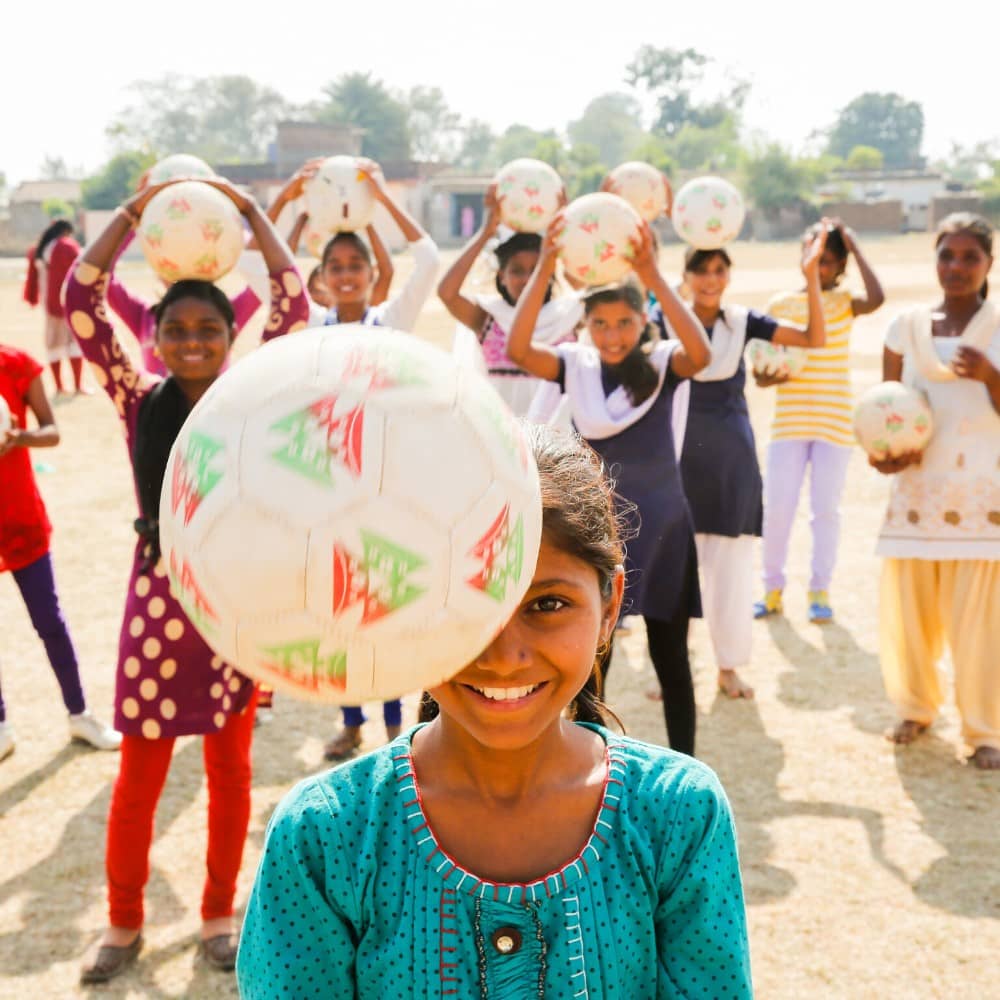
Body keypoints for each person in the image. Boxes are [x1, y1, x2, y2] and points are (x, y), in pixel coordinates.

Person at [236, 424, 752, 998]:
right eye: (459, 603)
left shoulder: (677, 814)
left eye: (548, 604)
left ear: (609, 610)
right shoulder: (326, 835)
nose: (504, 657)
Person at [66, 177, 309, 983]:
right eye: (178, 329)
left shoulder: (252, 397)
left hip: (230, 604)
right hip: (158, 605)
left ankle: (216, 913)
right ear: (158, 337)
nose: (195, 340)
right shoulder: (136, 398)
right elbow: (81, 295)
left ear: (231, 336)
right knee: (140, 775)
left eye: (210, 328)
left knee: (230, 772)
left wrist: (252, 215)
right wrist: (135, 216)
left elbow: (291, 300)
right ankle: (124, 920)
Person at [507, 215, 711, 756]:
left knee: (671, 659)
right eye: (601, 324)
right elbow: (520, 346)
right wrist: (548, 264)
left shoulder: (664, 363)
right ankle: (590, 761)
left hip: (664, 528)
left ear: (643, 321)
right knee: (595, 658)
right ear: (586, 326)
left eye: (624, 323)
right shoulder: (576, 366)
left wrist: (653, 275)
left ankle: (685, 768)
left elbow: (703, 354)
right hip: (601, 532)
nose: (613, 335)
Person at [652, 228, 828, 698]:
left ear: (728, 275)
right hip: (676, 464)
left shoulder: (741, 320)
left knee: (730, 573)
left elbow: (813, 337)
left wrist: (809, 276)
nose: (711, 279)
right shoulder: (661, 319)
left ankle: (729, 668)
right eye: (701, 270)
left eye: (719, 270)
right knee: (673, 573)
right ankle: (670, 671)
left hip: (731, 465)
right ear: (684, 276)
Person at [317, 159, 440, 762]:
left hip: (387, 487)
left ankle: (396, 727)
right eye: (334, 267)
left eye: (355, 266)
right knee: (338, 608)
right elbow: (272, 272)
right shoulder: (308, 327)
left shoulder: (389, 323)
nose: (346, 275)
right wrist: (298, 200)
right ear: (320, 278)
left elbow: (430, 260)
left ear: (372, 274)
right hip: (325, 487)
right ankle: (350, 721)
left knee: (385, 607)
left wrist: (382, 199)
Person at [871, 213, 1000, 770]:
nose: (956, 267)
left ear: (989, 264)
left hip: (982, 497)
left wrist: (991, 378)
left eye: (970, 256)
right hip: (918, 496)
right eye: (947, 255)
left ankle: (986, 729)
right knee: (911, 616)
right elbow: (883, 414)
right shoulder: (906, 327)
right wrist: (887, 456)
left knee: (982, 626)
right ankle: (916, 708)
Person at [755, 220, 885, 623]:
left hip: (834, 424)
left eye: (829, 261)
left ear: (841, 264)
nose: (820, 267)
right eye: (813, 258)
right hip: (789, 424)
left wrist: (857, 247)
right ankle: (772, 588)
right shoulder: (781, 304)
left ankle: (820, 589)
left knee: (825, 511)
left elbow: (878, 298)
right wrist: (767, 376)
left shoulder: (845, 301)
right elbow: (761, 371)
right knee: (777, 509)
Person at [0, 343, 120, 761]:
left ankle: (79, 713)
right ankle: (1, 725)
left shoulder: (16, 364)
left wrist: (17, 437)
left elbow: (51, 430)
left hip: (21, 520)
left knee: (49, 622)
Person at [439, 183, 580, 419]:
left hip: (557, 446)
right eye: (516, 271)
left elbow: (597, 286)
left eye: (536, 270)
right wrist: (486, 232)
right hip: (504, 441)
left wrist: (567, 226)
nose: (526, 279)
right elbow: (447, 293)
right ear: (501, 277)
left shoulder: (569, 316)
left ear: (549, 273)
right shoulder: (489, 319)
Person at [22, 219, 87, 393]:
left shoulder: (42, 248)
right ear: (66, 231)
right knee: (72, 343)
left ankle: (59, 387)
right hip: (68, 302)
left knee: (54, 345)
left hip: (49, 305)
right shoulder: (66, 246)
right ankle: (78, 386)